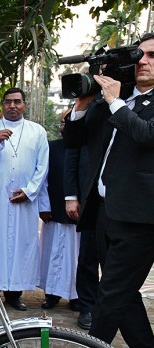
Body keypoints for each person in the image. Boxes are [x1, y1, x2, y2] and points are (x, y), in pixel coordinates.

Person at [63, 32, 154, 347]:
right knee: (123, 293)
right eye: (139, 55)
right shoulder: (116, 97)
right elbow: (75, 140)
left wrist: (115, 101)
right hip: (103, 210)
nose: (143, 61)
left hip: (140, 218)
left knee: (111, 293)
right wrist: (82, 103)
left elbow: (145, 136)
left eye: (153, 55)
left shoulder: (119, 101)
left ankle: (92, 343)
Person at [0, 87, 49, 311]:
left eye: (17, 101)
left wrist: (30, 190)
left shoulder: (38, 132)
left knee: (22, 245)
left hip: (24, 200)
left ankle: (14, 294)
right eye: (8, 102)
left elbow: (42, 167)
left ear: (24, 104)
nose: (12, 106)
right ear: (3, 105)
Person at [37, 116, 79, 311]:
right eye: (63, 123)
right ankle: (51, 293)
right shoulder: (52, 147)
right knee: (51, 253)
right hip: (54, 208)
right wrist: (44, 206)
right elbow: (42, 177)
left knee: (77, 256)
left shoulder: (87, 146)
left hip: (79, 213)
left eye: (70, 123)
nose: (66, 127)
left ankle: (77, 296)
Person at [64, 137, 97, 330]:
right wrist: (71, 196)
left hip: (124, 198)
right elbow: (72, 156)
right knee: (87, 258)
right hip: (90, 200)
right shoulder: (91, 113)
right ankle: (87, 307)